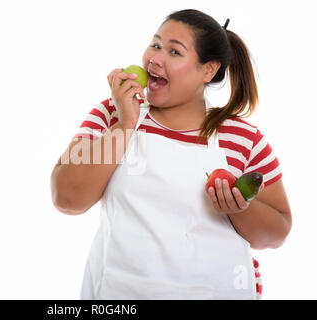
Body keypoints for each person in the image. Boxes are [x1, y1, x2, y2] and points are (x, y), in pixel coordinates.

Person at [50, 9, 292, 300]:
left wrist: (240, 208)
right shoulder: (113, 113)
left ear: (208, 70)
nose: (155, 58)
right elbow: (67, 198)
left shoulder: (244, 139)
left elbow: (277, 234)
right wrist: (125, 125)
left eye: (174, 52)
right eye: (155, 45)